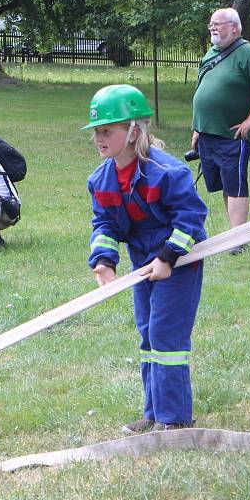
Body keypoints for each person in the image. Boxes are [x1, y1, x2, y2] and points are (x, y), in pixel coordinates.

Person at [84, 84, 208, 433]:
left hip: (180, 263)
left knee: (167, 335)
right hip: (143, 265)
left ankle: (174, 418)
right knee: (148, 335)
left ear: (134, 130)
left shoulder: (166, 172)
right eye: (96, 131)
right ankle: (154, 413)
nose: (99, 138)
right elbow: (105, 223)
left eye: (107, 130)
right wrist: (104, 261)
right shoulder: (102, 179)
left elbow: (191, 218)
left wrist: (168, 257)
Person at [190, 7, 250, 255]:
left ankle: (238, 239)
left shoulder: (248, 53)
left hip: (232, 135)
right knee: (224, 185)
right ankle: (233, 233)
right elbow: (202, 88)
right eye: (211, 24)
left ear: (235, 27)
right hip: (207, 133)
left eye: (218, 23)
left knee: (236, 185)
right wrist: (197, 127)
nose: (213, 28)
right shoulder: (211, 53)